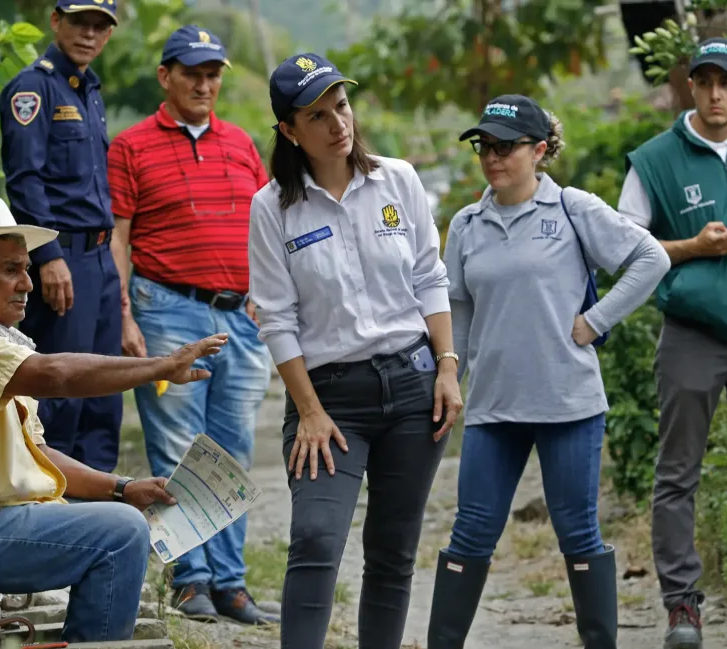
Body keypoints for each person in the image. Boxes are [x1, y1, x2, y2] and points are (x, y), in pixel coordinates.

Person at [0, 197, 229, 643]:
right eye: (12, 269)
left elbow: (36, 453)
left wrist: (122, 488)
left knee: (121, 517)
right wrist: (159, 366)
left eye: (27, 268)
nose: (28, 284)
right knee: (121, 533)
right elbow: (56, 374)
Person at [426, 94, 671, 649]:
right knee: (470, 533)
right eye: (483, 146)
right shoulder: (466, 223)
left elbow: (650, 258)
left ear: (538, 150)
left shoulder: (572, 209)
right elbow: (458, 305)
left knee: (578, 533)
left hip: (569, 403)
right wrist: (450, 373)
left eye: (505, 147)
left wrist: (595, 320)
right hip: (493, 406)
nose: (492, 157)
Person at [248, 53, 464, 649]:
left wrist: (447, 366)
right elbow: (277, 316)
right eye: (317, 115)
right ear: (290, 132)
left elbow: (430, 278)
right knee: (316, 538)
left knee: (393, 553)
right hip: (330, 398)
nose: (337, 123)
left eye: (341, 106)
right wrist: (310, 411)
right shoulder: (272, 209)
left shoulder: (399, 179)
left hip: (415, 385)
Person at [105, 25, 275, 625]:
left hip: (239, 314)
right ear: (166, 76)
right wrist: (124, 312)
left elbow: (268, 228)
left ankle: (230, 584)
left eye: (213, 75)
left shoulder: (241, 143)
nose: (205, 85)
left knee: (233, 450)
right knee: (180, 451)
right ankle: (190, 579)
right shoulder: (129, 146)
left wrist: (267, 299)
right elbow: (118, 238)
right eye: (192, 74)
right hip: (166, 307)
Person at [618, 38, 727, 649]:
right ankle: (682, 609)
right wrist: (694, 248)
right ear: (690, 87)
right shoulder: (654, 160)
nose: (716, 92)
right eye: (705, 81)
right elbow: (625, 247)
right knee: (678, 475)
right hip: (693, 333)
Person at [0, 0, 122, 473]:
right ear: (56, 22)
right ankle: (53, 517)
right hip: (63, 257)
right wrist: (47, 255)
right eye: (79, 22)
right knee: (61, 394)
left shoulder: (90, 92)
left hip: (100, 259)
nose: (89, 34)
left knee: (103, 397)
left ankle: (105, 514)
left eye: (100, 26)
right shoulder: (33, 88)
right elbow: (24, 180)